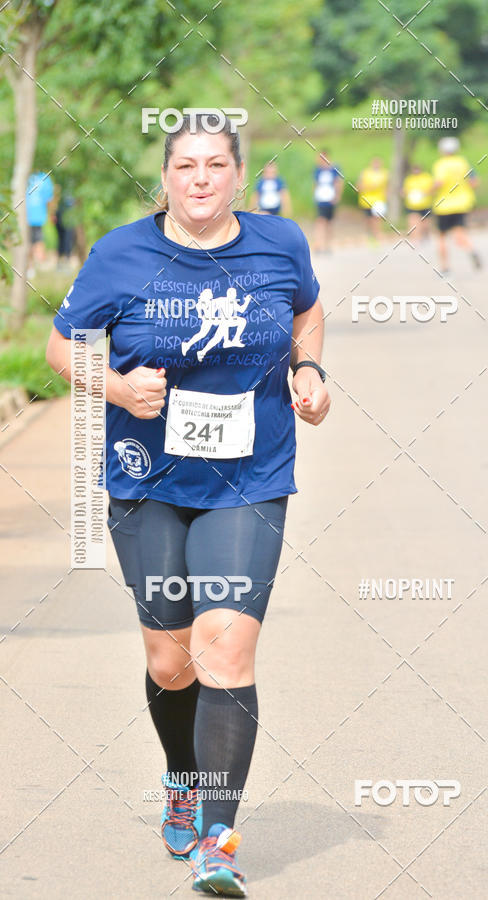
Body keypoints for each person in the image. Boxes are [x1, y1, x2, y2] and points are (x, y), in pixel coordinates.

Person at [45, 114, 330, 898]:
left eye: (215, 164)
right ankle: (182, 776)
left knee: (225, 653)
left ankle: (218, 842)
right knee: (172, 662)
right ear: (165, 177)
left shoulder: (279, 244)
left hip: (250, 479)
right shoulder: (121, 253)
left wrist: (309, 370)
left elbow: (307, 311)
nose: (200, 178)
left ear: (238, 174)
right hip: (148, 481)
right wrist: (115, 387)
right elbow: (63, 345)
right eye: (185, 166)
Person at [432, 137, 482, 274]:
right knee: (460, 233)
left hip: (444, 206)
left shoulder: (441, 164)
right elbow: (474, 182)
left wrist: (428, 191)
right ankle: (471, 250)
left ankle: (445, 268)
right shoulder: (463, 163)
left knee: (441, 237)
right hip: (463, 203)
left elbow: (439, 183)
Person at [313, 149, 343, 252]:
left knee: (329, 222)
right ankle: (318, 244)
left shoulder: (334, 169)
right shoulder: (317, 170)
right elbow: (315, 183)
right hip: (321, 199)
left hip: (330, 198)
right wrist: (315, 195)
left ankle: (328, 244)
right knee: (320, 221)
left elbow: (338, 182)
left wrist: (337, 196)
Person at [26, 170, 54, 272]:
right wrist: (51, 213)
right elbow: (49, 198)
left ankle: (31, 266)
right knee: (37, 241)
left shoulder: (27, 175)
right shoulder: (45, 177)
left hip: (29, 216)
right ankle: (33, 265)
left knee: (30, 241)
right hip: (37, 216)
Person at [357, 157, 389, 241]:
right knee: (368, 220)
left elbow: (387, 187)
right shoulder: (365, 173)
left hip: (379, 201)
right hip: (366, 201)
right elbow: (359, 186)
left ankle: (377, 236)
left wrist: (386, 197)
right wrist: (369, 187)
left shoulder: (385, 173)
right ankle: (368, 235)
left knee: (377, 219)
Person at [402, 163, 434, 244]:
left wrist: (424, 194)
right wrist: (404, 193)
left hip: (425, 205)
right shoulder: (409, 179)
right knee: (413, 223)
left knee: (425, 224)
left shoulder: (426, 178)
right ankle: (416, 239)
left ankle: (425, 235)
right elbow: (404, 190)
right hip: (412, 205)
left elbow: (432, 189)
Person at [54, 182, 77, 271]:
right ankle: (60, 261)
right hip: (60, 213)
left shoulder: (74, 182)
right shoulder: (60, 181)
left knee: (68, 239)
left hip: (70, 214)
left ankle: (67, 261)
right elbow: (55, 196)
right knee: (61, 239)